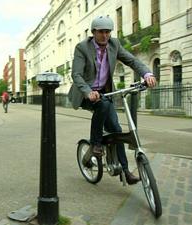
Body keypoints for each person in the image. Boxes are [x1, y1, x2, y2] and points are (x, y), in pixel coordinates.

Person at [68, 16, 157, 185]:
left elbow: (132, 60)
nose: (105, 35)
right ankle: (96, 144)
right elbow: (76, 74)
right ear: (93, 32)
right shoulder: (82, 48)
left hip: (106, 93)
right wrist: (88, 92)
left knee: (116, 130)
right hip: (85, 93)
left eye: (107, 32)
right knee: (101, 104)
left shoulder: (114, 44)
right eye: (101, 32)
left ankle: (125, 171)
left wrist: (147, 74)